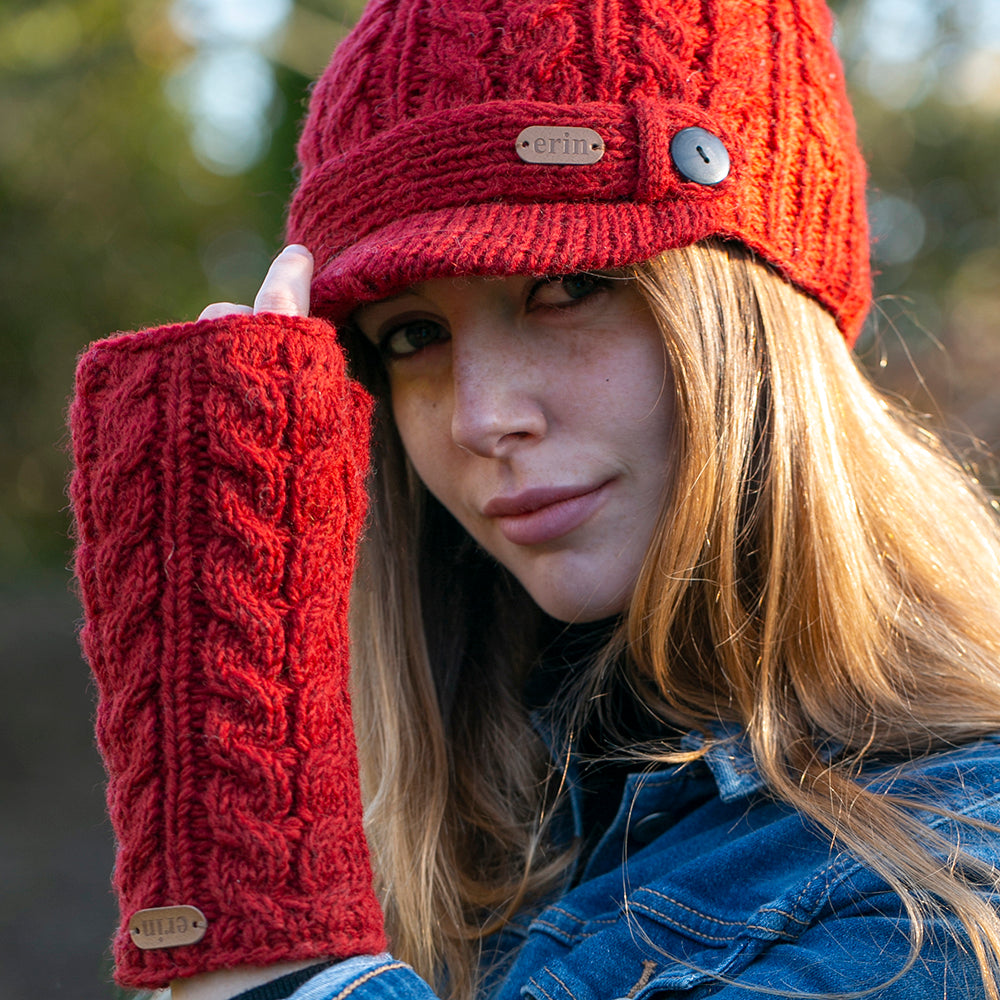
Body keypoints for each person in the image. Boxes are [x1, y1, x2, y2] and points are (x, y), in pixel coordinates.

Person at [69, 1, 1000, 998]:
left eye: (564, 286)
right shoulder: (461, 843)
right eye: (412, 336)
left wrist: (272, 931)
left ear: (750, 311)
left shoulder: (944, 876)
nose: (480, 416)